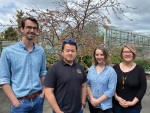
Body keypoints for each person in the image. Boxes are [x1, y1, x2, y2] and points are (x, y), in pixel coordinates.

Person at [0, 16, 46, 113]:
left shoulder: (40, 51)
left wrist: (43, 94)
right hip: (19, 103)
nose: (32, 30)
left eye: (34, 28)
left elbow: (43, 73)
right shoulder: (8, 52)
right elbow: (4, 80)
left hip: (38, 100)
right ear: (22, 29)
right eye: (29, 27)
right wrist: (15, 102)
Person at [43, 40, 87, 113]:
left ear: (76, 52)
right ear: (62, 52)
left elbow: (83, 86)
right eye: (67, 50)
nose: (70, 53)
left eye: (73, 51)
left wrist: (83, 104)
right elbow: (48, 92)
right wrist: (58, 111)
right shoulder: (54, 68)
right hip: (61, 110)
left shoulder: (80, 67)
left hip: (78, 110)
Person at [112, 43, 147, 113]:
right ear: (122, 54)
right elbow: (111, 85)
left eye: (130, 52)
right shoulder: (115, 68)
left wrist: (132, 103)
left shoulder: (139, 69)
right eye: (125, 52)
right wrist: (117, 98)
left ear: (133, 54)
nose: (127, 54)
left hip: (133, 108)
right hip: (116, 106)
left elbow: (143, 88)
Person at [86, 46, 117, 113]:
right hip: (92, 103)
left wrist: (97, 101)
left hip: (105, 106)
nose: (99, 57)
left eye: (101, 54)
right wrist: (92, 99)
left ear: (105, 56)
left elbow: (111, 90)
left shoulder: (111, 71)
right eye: (97, 55)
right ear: (94, 56)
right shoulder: (91, 69)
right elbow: (87, 84)